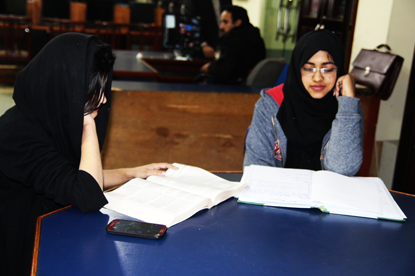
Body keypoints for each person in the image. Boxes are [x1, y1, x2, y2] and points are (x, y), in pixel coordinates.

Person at [0, 33, 176, 276]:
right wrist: (88, 123)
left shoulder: (49, 113)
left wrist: (134, 172)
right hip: (20, 251)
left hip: (49, 233)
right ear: (67, 85)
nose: (103, 100)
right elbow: (87, 194)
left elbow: (73, 177)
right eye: (93, 91)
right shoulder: (16, 133)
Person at [243, 29, 364, 176]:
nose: (318, 77)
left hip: (328, 196)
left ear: (339, 72)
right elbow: (255, 170)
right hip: (276, 195)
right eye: (308, 68)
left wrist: (348, 104)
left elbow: (343, 169)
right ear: (297, 68)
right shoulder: (270, 105)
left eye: (327, 69)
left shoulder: (347, 109)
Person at [199, 5, 266, 84]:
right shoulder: (255, 38)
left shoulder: (233, 40)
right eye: (221, 22)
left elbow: (224, 71)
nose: (221, 27)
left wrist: (209, 68)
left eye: (225, 22)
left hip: (231, 87)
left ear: (237, 23)